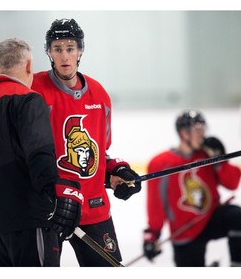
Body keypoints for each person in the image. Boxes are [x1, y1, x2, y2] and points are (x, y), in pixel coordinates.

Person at [0, 37, 83, 267]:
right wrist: (59, 194)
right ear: (29, 65)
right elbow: (40, 154)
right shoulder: (28, 100)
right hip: (30, 220)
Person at [31, 18, 142, 267]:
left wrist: (117, 170)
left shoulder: (99, 94)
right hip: (50, 209)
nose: (64, 55)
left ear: (80, 50)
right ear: (48, 52)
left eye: (70, 48)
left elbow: (101, 152)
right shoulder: (35, 90)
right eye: (57, 48)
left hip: (93, 206)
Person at [143, 109, 241, 266]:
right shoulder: (161, 163)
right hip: (184, 230)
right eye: (197, 130)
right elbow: (155, 204)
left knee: (237, 216)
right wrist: (152, 235)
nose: (202, 134)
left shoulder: (207, 155)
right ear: (183, 133)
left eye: (203, 129)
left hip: (210, 218)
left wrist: (220, 159)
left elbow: (232, 184)